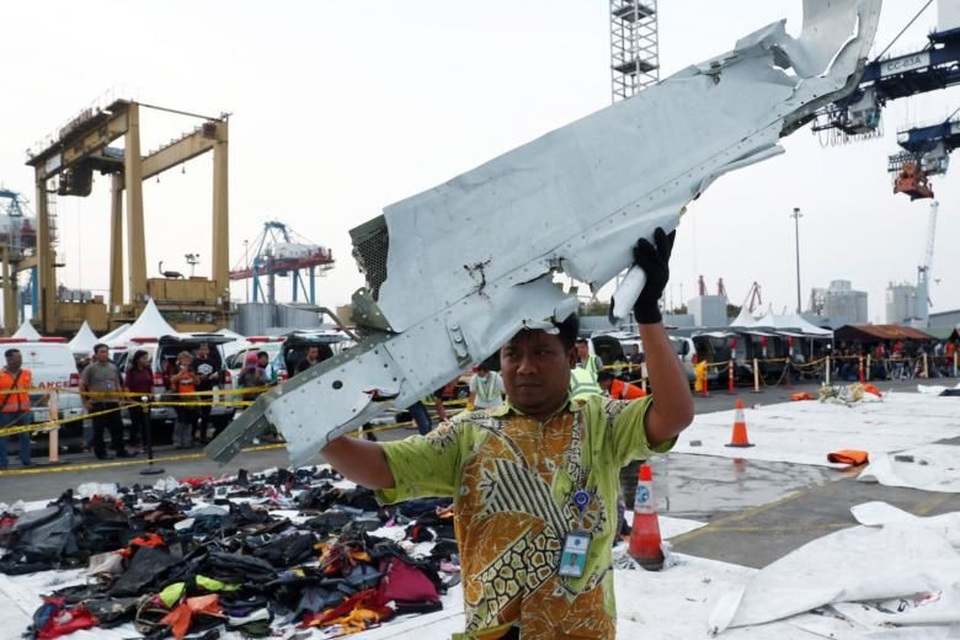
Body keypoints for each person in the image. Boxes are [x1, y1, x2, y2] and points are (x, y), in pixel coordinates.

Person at [321, 227, 693, 638]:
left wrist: (648, 313)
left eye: (542, 352)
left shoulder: (601, 423)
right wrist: (321, 432)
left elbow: (673, 414)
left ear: (571, 356)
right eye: (512, 353)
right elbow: (385, 468)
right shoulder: (468, 434)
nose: (525, 367)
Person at [80, 343, 132, 459]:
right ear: (96, 354)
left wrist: (121, 398)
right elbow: (82, 385)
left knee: (117, 428)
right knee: (99, 430)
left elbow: (117, 383)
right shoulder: (90, 368)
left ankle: (120, 450)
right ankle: (101, 453)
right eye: (102, 352)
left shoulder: (113, 367)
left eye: (106, 352)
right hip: (98, 403)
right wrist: (85, 402)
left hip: (112, 402)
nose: (105, 354)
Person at [0, 348, 34, 469]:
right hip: (5, 412)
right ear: (8, 359)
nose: (20, 360)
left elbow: (29, 389)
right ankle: (2, 463)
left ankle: (26, 460)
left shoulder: (27, 373)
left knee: (25, 436)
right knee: (2, 438)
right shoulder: (0, 375)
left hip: (23, 411)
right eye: (17, 358)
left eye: (20, 358)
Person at [124, 349, 154, 451]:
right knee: (136, 423)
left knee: (146, 422)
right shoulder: (131, 371)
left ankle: (147, 444)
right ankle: (133, 443)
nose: (146, 360)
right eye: (144, 358)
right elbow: (127, 386)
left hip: (146, 398)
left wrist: (152, 396)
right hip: (134, 399)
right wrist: (129, 399)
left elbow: (151, 384)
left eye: (147, 358)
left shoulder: (148, 370)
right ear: (138, 359)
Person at [170, 351, 199, 448]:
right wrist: (181, 373)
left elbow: (197, 382)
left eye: (188, 359)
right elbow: (172, 380)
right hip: (179, 397)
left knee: (189, 419)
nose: (186, 361)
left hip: (190, 397)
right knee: (181, 419)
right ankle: (177, 441)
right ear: (180, 360)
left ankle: (187, 441)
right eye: (184, 359)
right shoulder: (175, 369)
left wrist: (193, 375)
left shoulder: (191, 370)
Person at [192, 343, 220, 443]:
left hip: (208, 389)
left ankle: (203, 436)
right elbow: (192, 373)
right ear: (198, 350)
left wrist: (214, 376)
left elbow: (217, 372)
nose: (204, 351)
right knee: (195, 414)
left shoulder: (212, 361)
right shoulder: (194, 361)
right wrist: (198, 377)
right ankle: (192, 436)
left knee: (206, 414)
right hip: (197, 390)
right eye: (202, 349)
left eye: (206, 349)